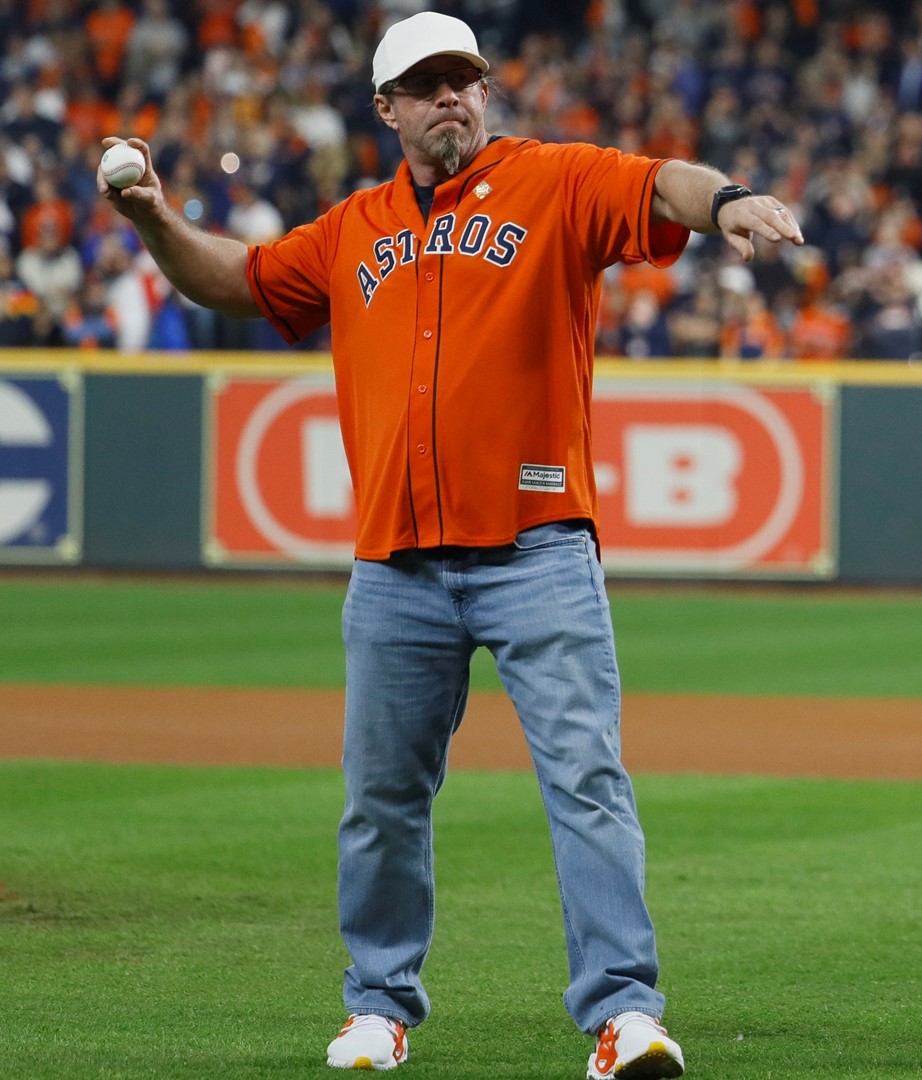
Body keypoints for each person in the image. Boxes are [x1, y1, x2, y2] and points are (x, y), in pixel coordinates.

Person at [99, 12, 803, 1078]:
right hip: (396, 571)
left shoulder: (554, 181)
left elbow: (661, 181)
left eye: (464, 80)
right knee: (381, 801)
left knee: (587, 782)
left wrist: (732, 198)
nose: (451, 99)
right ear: (385, 108)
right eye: (426, 84)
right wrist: (153, 215)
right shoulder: (352, 228)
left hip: (538, 553)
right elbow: (236, 281)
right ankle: (378, 1009)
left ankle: (624, 1017)